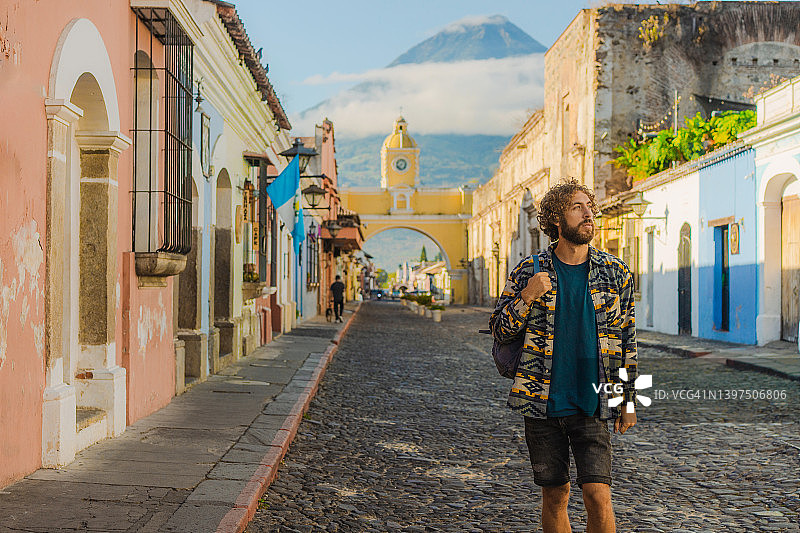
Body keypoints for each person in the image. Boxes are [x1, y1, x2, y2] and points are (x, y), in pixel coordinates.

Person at [490, 179, 638, 533]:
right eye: (578, 207)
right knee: (555, 496)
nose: (589, 214)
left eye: (590, 207)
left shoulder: (614, 273)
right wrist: (526, 297)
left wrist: (629, 400)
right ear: (557, 219)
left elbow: (627, 340)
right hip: (541, 403)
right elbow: (500, 331)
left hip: (593, 400)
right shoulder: (529, 271)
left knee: (598, 497)